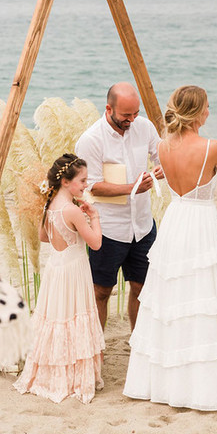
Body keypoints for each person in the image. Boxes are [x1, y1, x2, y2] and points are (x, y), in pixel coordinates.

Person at [123, 85, 217, 411]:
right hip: (200, 223)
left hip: (175, 220)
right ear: (197, 113)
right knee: (200, 296)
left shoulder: (162, 146)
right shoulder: (211, 147)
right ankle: (199, 385)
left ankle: (163, 380)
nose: (209, 112)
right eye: (206, 107)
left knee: (171, 298)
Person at [14, 154, 105, 404]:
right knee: (73, 316)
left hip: (56, 267)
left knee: (56, 317)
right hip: (74, 269)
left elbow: (44, 237)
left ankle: (50, 373)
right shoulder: (73, 211)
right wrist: (94, 218)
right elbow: (96, 243)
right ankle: (73, 377)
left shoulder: (50, 205)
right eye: (82, 180)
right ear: (66, 181)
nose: (86, 185)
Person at [75, 82, 161, 331]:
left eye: (135, 113)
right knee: (101, 291)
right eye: (126, 115)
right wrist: (133, 187)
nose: (132, 120)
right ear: (108, 108)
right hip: (109, 229)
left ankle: (139, 344)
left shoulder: (144, 126)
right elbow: (90, 186)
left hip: (143, 226)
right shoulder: (91, 139)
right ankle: (96, 348)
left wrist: (162, 169)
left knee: (142, 288)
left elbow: (160, 157)